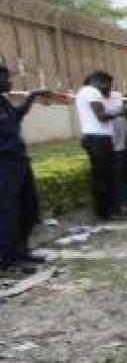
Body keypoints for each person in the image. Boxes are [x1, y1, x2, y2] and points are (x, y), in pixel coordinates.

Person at [0, 64, 49, 272]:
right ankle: (9, 259)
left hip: (18, 160)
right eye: (6, 78)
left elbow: (17, 115)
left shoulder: (3, 101)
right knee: (7, 212)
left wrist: (32, 96)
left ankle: (22, 251)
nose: (10, 82)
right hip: (3, 163)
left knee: (28, 207)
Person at [75, 71, 124, 220]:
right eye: (108, 84)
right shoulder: (91, 91)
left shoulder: (85, 92)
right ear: (99, 82)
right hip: (97, 139)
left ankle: (107, 211)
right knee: (103, 177)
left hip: (97, 139)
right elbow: (101, 116)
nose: (109, 89)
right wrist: (120, 112)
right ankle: (104, 213)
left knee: (105, 176)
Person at [105, 90, 127, 215]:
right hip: (114, 147)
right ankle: (120, 204)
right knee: (118, 177)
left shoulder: (121, 101)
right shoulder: (104, 105)